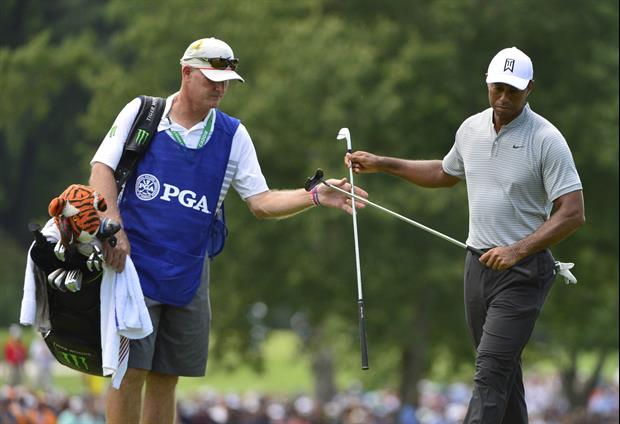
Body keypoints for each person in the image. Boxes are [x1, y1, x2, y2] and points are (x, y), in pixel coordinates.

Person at [89, 36, 367, 424]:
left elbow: (261, 202)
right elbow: (101, 169)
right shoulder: (144, 112)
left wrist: (315, 196)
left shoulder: (233, 134)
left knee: (167, 376)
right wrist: (113, 228)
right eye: (211, 79)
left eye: (226, 81)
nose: (220, 88)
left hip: (189, 270)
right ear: (186, 73)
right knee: (129, 371)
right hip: (134, 264)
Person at [345, 46, 585, 423]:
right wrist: (383, 164)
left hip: (524, 273)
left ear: (530, 89)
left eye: (514, 91)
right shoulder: (471, 129)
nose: (504, 98)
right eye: (497, 89)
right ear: (488, 84)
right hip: (477, 267)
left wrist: (517, 251)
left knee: (489, 372)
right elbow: (445, 173)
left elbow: (572, 212)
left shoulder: (546, 139)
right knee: (504, 374)